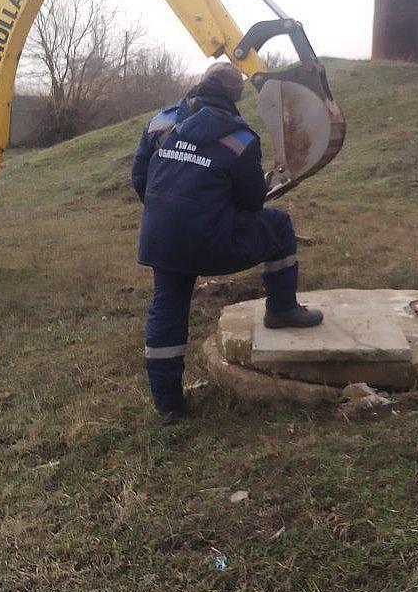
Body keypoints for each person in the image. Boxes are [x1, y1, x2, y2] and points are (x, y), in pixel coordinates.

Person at [132, 61, 323, 424]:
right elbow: (252, 202)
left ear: (200, 83)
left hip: (162, 239)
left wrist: (169, 212)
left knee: (168, 306)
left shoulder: (161, 121)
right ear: (235, 96)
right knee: (279, 225)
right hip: (212, 243)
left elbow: (139, 176)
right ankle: (281, 310)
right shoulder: (240, 138)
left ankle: (168, 405)